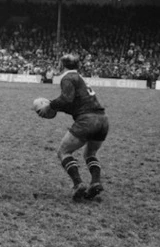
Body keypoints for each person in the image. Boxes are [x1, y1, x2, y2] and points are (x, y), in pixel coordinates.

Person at [37, 53, 109, 201]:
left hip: (87, 120)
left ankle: (78, 184)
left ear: (62, 65)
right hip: (102, 119)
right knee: (90, 154)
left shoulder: (67, 78)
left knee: (63, 152)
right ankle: (95, 182)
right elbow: (73, 104)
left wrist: (50, 106)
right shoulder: (81, 78)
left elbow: (66, 99)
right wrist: (56, 107)